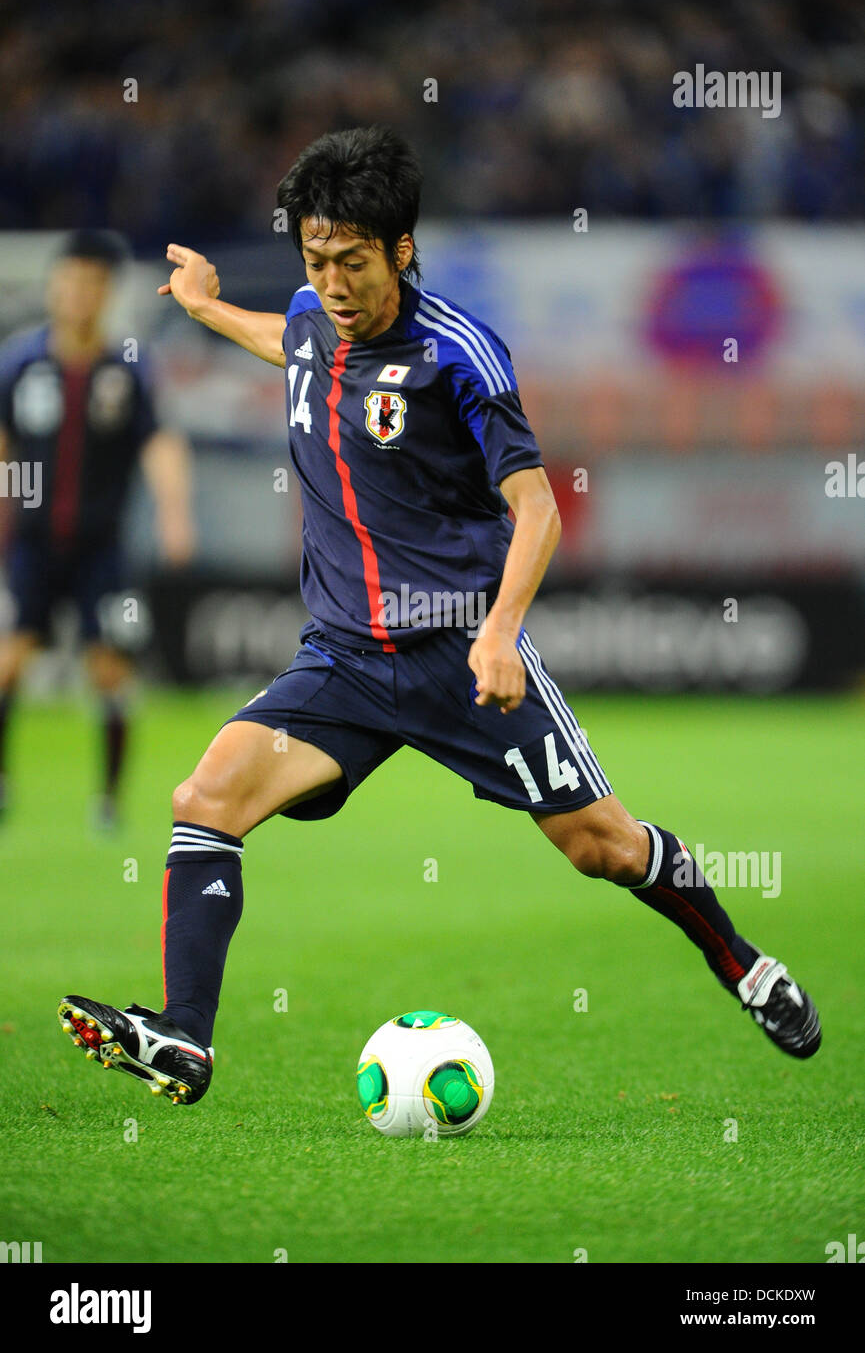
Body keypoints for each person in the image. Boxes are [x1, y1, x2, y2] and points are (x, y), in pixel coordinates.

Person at [57, 128, 820, 1105]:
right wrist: (206, 307)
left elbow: (536, 508)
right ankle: (185, 1037)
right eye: (316, 260)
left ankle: (743, 963)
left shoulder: (458, 353)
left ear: (402, 250)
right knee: (205, 799)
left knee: (603, 848)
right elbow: (286, 343)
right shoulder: (308, 315)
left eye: (353, 262)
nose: (332, 283)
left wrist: (499, 632)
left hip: (463, 653)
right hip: (344, 659)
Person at [0, 228, 194, 828]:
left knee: (109, 667)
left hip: (99, 547)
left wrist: (174, 515)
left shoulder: (126, 368)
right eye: (69, 283)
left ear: (106, 292)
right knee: (10, 660)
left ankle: (108, 801)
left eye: (91, 284)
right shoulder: (22, 363)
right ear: (55, 288)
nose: (78, 295)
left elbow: (159, 443)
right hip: (30, 544)